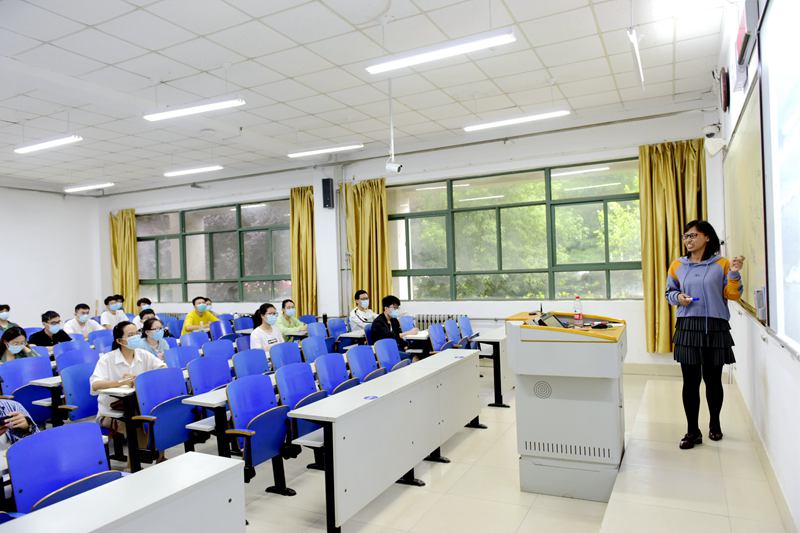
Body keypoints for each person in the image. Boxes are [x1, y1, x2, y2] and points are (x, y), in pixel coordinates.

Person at [665, 220, 745, 450]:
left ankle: (715, 423)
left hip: (715, 327)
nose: (688, 240)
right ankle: (692, 431)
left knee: (713, 380)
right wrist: (678, 298)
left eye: (693, 235)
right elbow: (669, 292)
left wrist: (735, 274)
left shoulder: (722, 264)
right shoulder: (677, 265)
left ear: (707, 237)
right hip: (688, 326)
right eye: (685, 236)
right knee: (690, 382)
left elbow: (732, 295)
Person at [90, 321, 166, 451]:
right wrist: (121, 382)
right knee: (136, 423)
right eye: (130, 335)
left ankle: (157, 455)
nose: (136, 337)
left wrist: (140, 379)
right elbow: (95, 384)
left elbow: (163, 368)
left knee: (158, 416)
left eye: (136, 333)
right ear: (119, 341)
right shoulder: (107, 359)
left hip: (139, 405)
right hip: (112, 412)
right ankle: (139, 460)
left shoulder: (143, 354)